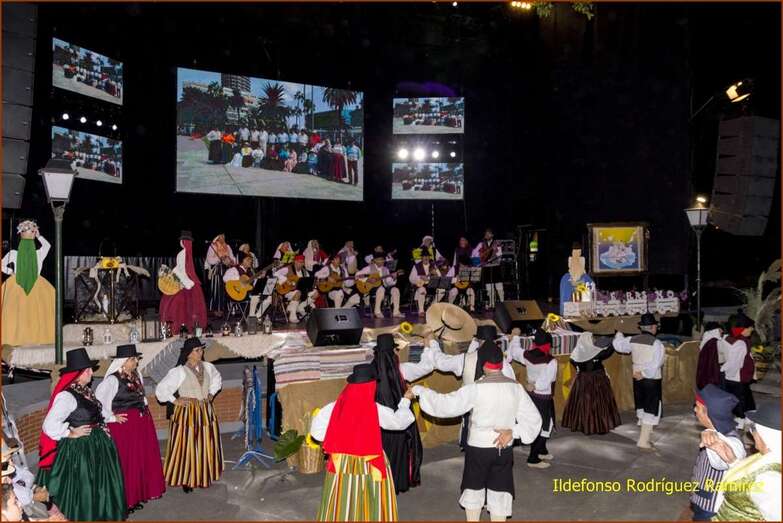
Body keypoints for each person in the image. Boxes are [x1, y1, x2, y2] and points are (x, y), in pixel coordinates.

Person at [412, 341, 542, 522]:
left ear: (482, 364)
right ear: (501, 363)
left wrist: (419, 391)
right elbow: (534, 419)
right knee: (500, 492)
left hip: (478, 449)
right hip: (503, 448)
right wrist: (514, 432)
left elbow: (445, 405)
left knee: (473, 490)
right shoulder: (516, 388)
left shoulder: (475, 388)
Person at [309, 363, 415, 521]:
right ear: (372, 385)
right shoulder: (375, 409)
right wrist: (405, 401)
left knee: (343, 497)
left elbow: (316, 434)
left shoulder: (333, 407)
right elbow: (399, 423)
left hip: (342, 462)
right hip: (370, 461)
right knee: (370, 498)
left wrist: (338, 440)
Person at [39, 348, 126, 521]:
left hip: (97, 444)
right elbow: (49, 425)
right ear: (78, 374)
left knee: (99, 483)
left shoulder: (85, 391)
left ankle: (100, 513)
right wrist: (69, 432)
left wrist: (112, 418)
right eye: (88, 370)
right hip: (81, 449)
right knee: (84, 485)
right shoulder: (67, 396)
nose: (92, 373)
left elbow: (96, 412)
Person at [95, 345, 165, 513]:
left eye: (136, 359)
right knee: (126, 461)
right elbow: (98, 404)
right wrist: (112, 418)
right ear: (123, 361)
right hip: (124, 427)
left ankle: (138, 494)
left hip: (140, 423)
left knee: (139, 459)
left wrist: (144, 410)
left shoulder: (136, 375)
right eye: (132, 359)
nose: (136, 362)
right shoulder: (112, 381)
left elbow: (141, 396)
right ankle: (125, 500)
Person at [155, 338, 223, 493]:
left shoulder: (208, 367)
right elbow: (161, 390)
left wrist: (211, 393)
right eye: (197, 350)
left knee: (205, 443)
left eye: (201, 349)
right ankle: (186, 478)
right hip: (187, 413)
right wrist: (175, 400)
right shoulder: (179, 372)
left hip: (205, 411)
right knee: (187, 445)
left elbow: (217, 379)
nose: (201, 352)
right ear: (188, 354)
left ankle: (203, 474)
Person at [371, 334, 424, 495]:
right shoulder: (399, 370)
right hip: (399, 421)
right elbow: (424, 367)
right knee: (399, 453)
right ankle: (396, 483)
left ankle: (382, 487)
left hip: (378, 425)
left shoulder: (370, 371)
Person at [712, 400, 781, 521]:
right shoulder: (768, 456)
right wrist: (733, 461)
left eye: (753, 428)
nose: (751, 433)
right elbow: (750, 478)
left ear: (765, 435)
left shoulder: (771, 480)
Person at [689, 384, 746, 521]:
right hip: (701, 499)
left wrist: (718, 442)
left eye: (698, 407)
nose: (695, 410)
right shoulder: (713, 432)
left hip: (711, 509)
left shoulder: (732, 440)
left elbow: (728, 456)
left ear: (708, 414)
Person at [613, 313, 665, 450]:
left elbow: (618, 345)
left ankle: (647, 433)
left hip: (637, 377)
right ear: (652, 327)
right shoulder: (657, 343)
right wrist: (644, 373)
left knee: (641, 404)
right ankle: (643, 440)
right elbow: (656, 363)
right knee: (651, 408)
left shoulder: (632, 339)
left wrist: (619, 333)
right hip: (651, 379)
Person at [1, 220, 55, 346]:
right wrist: (10, 272)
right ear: (20, 235)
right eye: (25, 231)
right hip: (17, 283)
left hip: (36, 284)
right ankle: (14, 338)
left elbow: (47, 246)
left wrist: (39, 236)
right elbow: (2, 264)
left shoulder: (38, 253)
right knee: (16, 312)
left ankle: (37, 337)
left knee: (36, 313)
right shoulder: (14, 253)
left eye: (30, 231)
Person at [509, 329, 558, 468]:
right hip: (543, 397)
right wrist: (536, 386)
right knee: (542, 425)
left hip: (531, 396)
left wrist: (516, 337)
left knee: (543, 423)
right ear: (548, 345)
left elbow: (514, 351)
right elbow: (546, 380)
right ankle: (533, 458)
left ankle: (541, 450)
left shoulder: (527, 355)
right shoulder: (551, 361)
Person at [560, 332, 622, 435]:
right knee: (598, 403)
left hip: (581, 380)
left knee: (583, 403)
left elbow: (574, 363)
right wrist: (617, 338)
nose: (593, 340)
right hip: (597, 380)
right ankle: (599, 426)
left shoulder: (575, 353)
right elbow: (608, 352)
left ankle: (583, 425)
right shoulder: (595, 352)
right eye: (592, 338)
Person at [160, 231, 208, 332]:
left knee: (175, 305)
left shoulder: (182, 253)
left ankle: (176, 327)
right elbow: (184, 270)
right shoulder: (187, 253)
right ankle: (191, 326)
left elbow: (181, 270)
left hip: (184, 282)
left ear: (182, 241)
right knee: (192, 306)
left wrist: (175, 275)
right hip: (188, 282)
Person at [719, 312, 756, 428]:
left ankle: (748, 417)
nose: (752, 329)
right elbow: (734, 363)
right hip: (737, 376)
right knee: (740, 398)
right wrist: (723, 371)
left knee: (745, 395)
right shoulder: (740, 343)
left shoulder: (729, 338)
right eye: (750, 327)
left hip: (738, 375)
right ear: (742, 329)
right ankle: (741, 419)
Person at [262, 255, 316, 323]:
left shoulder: (305, 272)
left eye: (302, 262)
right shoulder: (287, 268)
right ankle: (292, 316)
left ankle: (300, 307)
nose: (301, 264)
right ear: (295, 262)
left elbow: (308, 282)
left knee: (316, 293)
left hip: (302, 291)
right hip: (287, 291)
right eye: (300, 262)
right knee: (298, 292)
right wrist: (286, 280)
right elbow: (276, 274)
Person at [356, 251, 402, 318]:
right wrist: (368, 280)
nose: (382, 261)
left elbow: (389, 282)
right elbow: (357, 275)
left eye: (383, 259)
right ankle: (377, 312)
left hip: (384, 287)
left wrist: (394, 278)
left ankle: (396, 312)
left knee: (395, 290)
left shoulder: (386, 269)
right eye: (380, 260)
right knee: (381, 289)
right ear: (375, 260)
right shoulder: (369, 268)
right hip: (372, 288)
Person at [204, 233, 235, 317]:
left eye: (224, 236)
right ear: (217, 237)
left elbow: (232, 257)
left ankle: (227, 309)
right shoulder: (213, 246)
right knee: (217, 290)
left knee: (227, 289)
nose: (223, 237)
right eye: (221, 236)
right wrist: (220, 258)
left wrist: (231, 260)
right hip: (217, 270)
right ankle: (216, 310)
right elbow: (210, 260)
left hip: (226, 270)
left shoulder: (227, 246)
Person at [558, 243, 594, 314]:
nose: (576, 260)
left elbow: (592, 292)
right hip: (570, 314)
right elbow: (564, 301)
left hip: (583, 314)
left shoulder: (586, 279)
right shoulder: (565, 279)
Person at [472, 229, 504, 309]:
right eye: (486, 234)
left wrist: (496, 251)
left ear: (492, 235)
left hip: (495, 266)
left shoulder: (497, 243)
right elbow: (474, 254)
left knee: (498, 286)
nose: (487, 235)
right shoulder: (481, 244)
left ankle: (502, 303)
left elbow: (500, 255)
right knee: (489, 286)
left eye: (488, 234)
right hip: (486, 267)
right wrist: (480, 255)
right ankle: (491, 303)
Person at [409, 251, 442, 316]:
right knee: (422, 290)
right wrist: (420, 277)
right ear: (421, 258)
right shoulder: (416, 266)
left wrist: (436, 274)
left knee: (442, 290)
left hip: (431, 286)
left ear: (429, 257)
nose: (426, 258)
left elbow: (440, 277)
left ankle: (432, 307)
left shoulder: (433, 266)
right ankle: (421, 311)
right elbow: (411, 278)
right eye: (424, 256)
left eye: (427, 256)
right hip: (421, 286)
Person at [696, 322, 725, 390]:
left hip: (703, 372)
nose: (722, 331)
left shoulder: (706, 340)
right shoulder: (714, 342)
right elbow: (715, 361)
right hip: (711, 374)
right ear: (715, 330)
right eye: (720, 329)